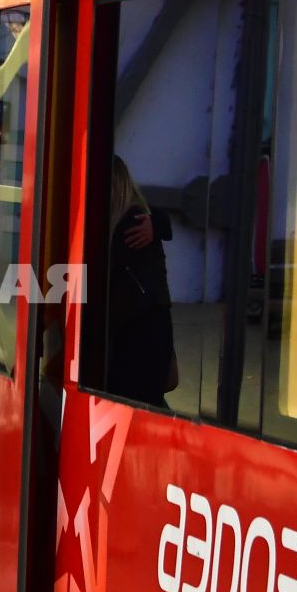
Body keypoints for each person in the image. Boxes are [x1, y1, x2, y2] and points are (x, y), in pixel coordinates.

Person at [102, 155, 177, 408]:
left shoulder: (131, 221)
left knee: (135, 401)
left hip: (139, 330)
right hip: (148, 326)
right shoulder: (137, 216)